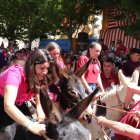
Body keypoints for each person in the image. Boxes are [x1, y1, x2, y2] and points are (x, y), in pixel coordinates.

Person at [0, 49, 53, 136]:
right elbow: (8, 106)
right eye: (42, 68)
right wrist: (31, 125)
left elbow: (38, 102)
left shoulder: (38, 77)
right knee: (8, 133)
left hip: (17, 103)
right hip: (3, 103)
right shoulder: (14, 74)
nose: (45, 72)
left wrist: (40, 119)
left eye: (47, 68)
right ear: (32, 66)